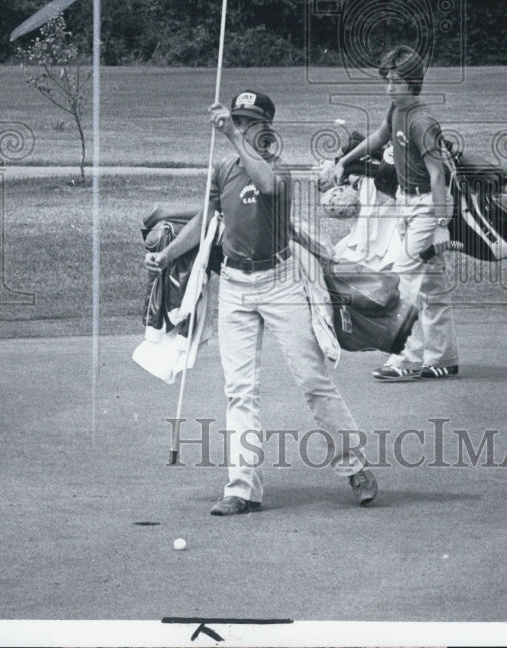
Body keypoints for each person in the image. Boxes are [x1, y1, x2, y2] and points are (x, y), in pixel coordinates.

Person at [145, 90, 378, 514]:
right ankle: (242, 490)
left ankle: (355, 465)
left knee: (312, 381)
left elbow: (267, 186)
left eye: (250, 121)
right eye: (238, 119)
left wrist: (234, 138)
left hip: (280, 282)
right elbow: (206, 220)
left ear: (265, 127)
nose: (242, 126)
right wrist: (167, 254)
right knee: (239, 391)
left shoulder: (277, 169)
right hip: (235, 285)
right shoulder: (223, 169)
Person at [330, 46, 459, 382]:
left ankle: (406, 359)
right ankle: (443, 359)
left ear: (412, 82)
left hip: (425, 208)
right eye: (387, 80)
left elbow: (438, 174)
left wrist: (442, 225)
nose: (389, 87)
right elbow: (377, 138)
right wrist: (344, 161)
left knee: (404, 281)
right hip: (407, 203)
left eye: (397, 81)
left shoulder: (421, 121)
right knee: (433, 288)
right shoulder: (397, 110)